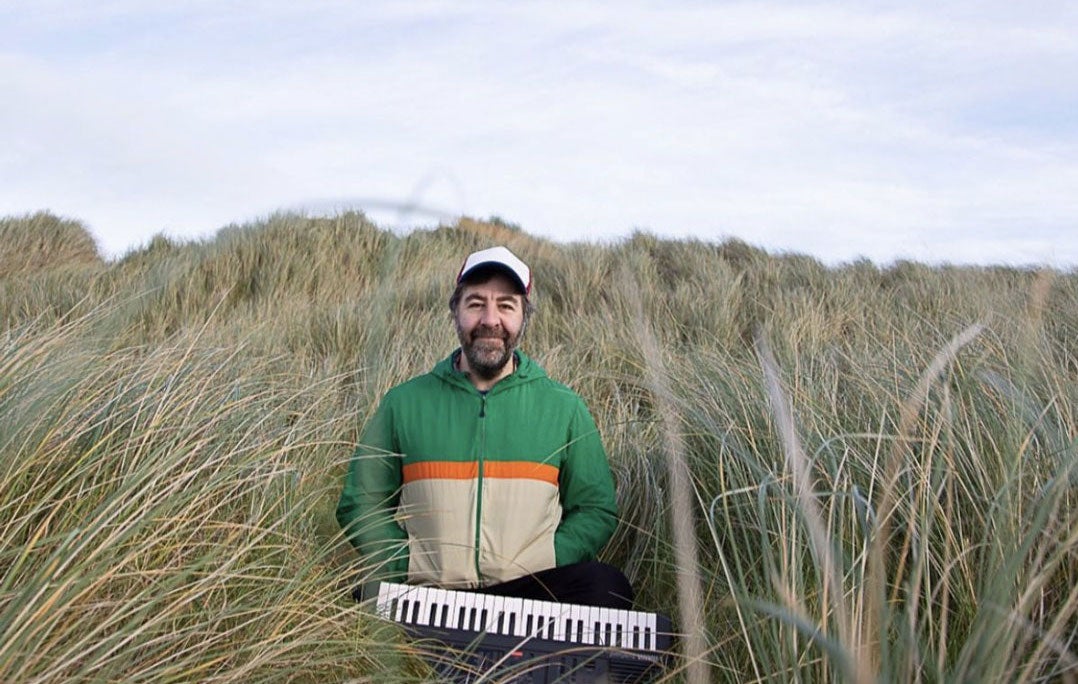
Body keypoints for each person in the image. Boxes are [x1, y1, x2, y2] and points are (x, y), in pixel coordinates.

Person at [336, 245, 633, 609]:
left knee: (608, 586)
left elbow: (595, 508)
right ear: (455, 312)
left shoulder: (564, 407)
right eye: (476, 303)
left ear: (524, 317)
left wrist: (550, 557)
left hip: (527, 593)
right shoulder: (403, 403)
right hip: (430, 592)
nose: (490, 320)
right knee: (362, 598)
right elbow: (360, 502)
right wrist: (403, 563)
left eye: (506, 305)